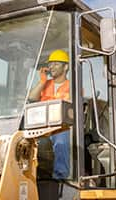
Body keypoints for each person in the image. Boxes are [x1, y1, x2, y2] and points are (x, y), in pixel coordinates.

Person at [29, 49, 70, 179]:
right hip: (43, 127)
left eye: (56, 64)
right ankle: (33, 175)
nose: (51, 67)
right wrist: (42, 81)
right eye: (50, 64)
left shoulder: (73, 85)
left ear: (66, 67)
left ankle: (60, 177)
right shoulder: (45, 84)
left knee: (61, 141)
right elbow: (32, 98)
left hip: (62, 127)